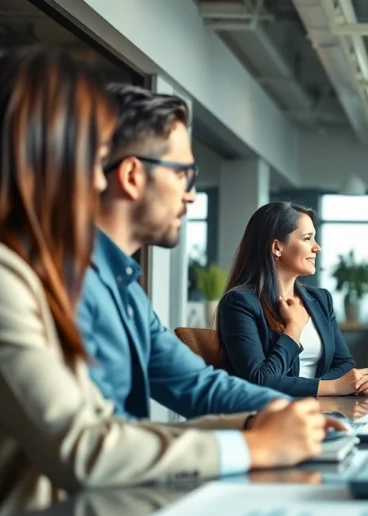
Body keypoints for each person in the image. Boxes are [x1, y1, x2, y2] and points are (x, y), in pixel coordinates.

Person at [0, 48, 343, 516]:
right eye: (94, 158)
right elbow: (87, 446)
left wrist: (269, 419)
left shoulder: (114, 285)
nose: (100, 179)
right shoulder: (6, 276)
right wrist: (253, 445)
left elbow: (179, 393)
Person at [77, 83, 286, 420]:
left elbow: (197, 385)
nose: (190, 195)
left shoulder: (126, 287)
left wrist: (294, 412)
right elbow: (94, 444)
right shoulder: (67, 281)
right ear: (132, 175)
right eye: (182, 175)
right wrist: (252, 446)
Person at [217, 202, 368, 397]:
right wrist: (294, 328)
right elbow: (258, 380)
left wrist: (349, 384)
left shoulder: (320, 299)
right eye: (307, 238)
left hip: (319, 412)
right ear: (277, 247)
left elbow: (344, 364)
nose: (317, 247)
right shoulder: (239, 302)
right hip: (267, 418)